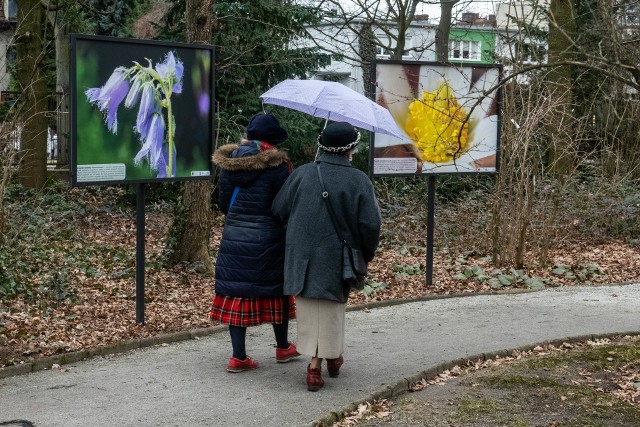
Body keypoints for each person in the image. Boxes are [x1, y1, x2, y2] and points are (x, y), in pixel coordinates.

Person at [272, 121, 381, 391]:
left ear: (322, 145)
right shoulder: (358, 180)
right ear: (351, 149)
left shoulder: (302, 174)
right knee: (333, 308)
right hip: (338, 257)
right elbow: (371, 224)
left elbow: (279, 209)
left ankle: (320, 362)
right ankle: (320, 364)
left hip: (301, 256)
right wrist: (365, 253)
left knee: (309, 310)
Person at [209, 113, 300, 372]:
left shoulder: (230, 163)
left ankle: (238, 356)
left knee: (237, 290)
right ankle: (283, 348)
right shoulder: (279, 165)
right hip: (269, 235)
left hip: (235, 235)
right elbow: (284, 205)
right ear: (272, 140)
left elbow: (225, 204)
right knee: (276, 290)